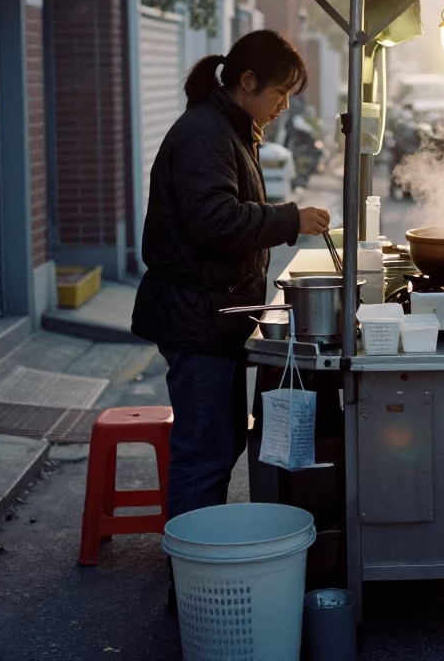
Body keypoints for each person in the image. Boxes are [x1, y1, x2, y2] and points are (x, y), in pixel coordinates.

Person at [131, 30, 331, 608]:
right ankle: (192, 590)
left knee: (217, 444)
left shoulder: (227, 128)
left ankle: (197, 572)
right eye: (281, 92)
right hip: (196, 319)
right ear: (247, 82)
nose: (284, 105)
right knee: (204, 450)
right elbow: (215, 221)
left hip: (212, 317)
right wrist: (289, 218)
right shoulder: (203, 134)